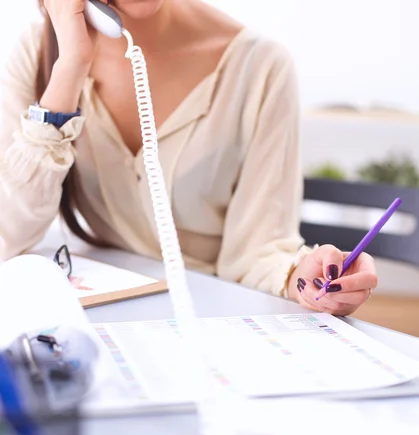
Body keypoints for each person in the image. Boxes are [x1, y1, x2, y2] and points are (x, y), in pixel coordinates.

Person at [0, 0, 377, 315]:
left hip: (208, 318)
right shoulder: (39, 55)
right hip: (99, 318)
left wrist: (304, 276)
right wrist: (69, 71)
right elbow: (8, 235)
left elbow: (256, 253)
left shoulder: (260, 67)